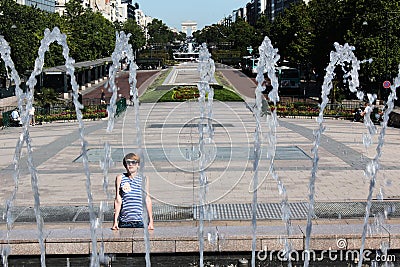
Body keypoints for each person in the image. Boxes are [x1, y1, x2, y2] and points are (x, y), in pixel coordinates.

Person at [112, 153, 154, 230]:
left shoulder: (144, 179)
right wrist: (115, 221)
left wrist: (151, 221)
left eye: (133, 162)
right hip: (124, 221)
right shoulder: (120, 178)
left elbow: (147, 199)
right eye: (128, 162)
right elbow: (118, 200)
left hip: (141, 221)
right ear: (125, 165)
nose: (131, 164)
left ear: (138, 165)